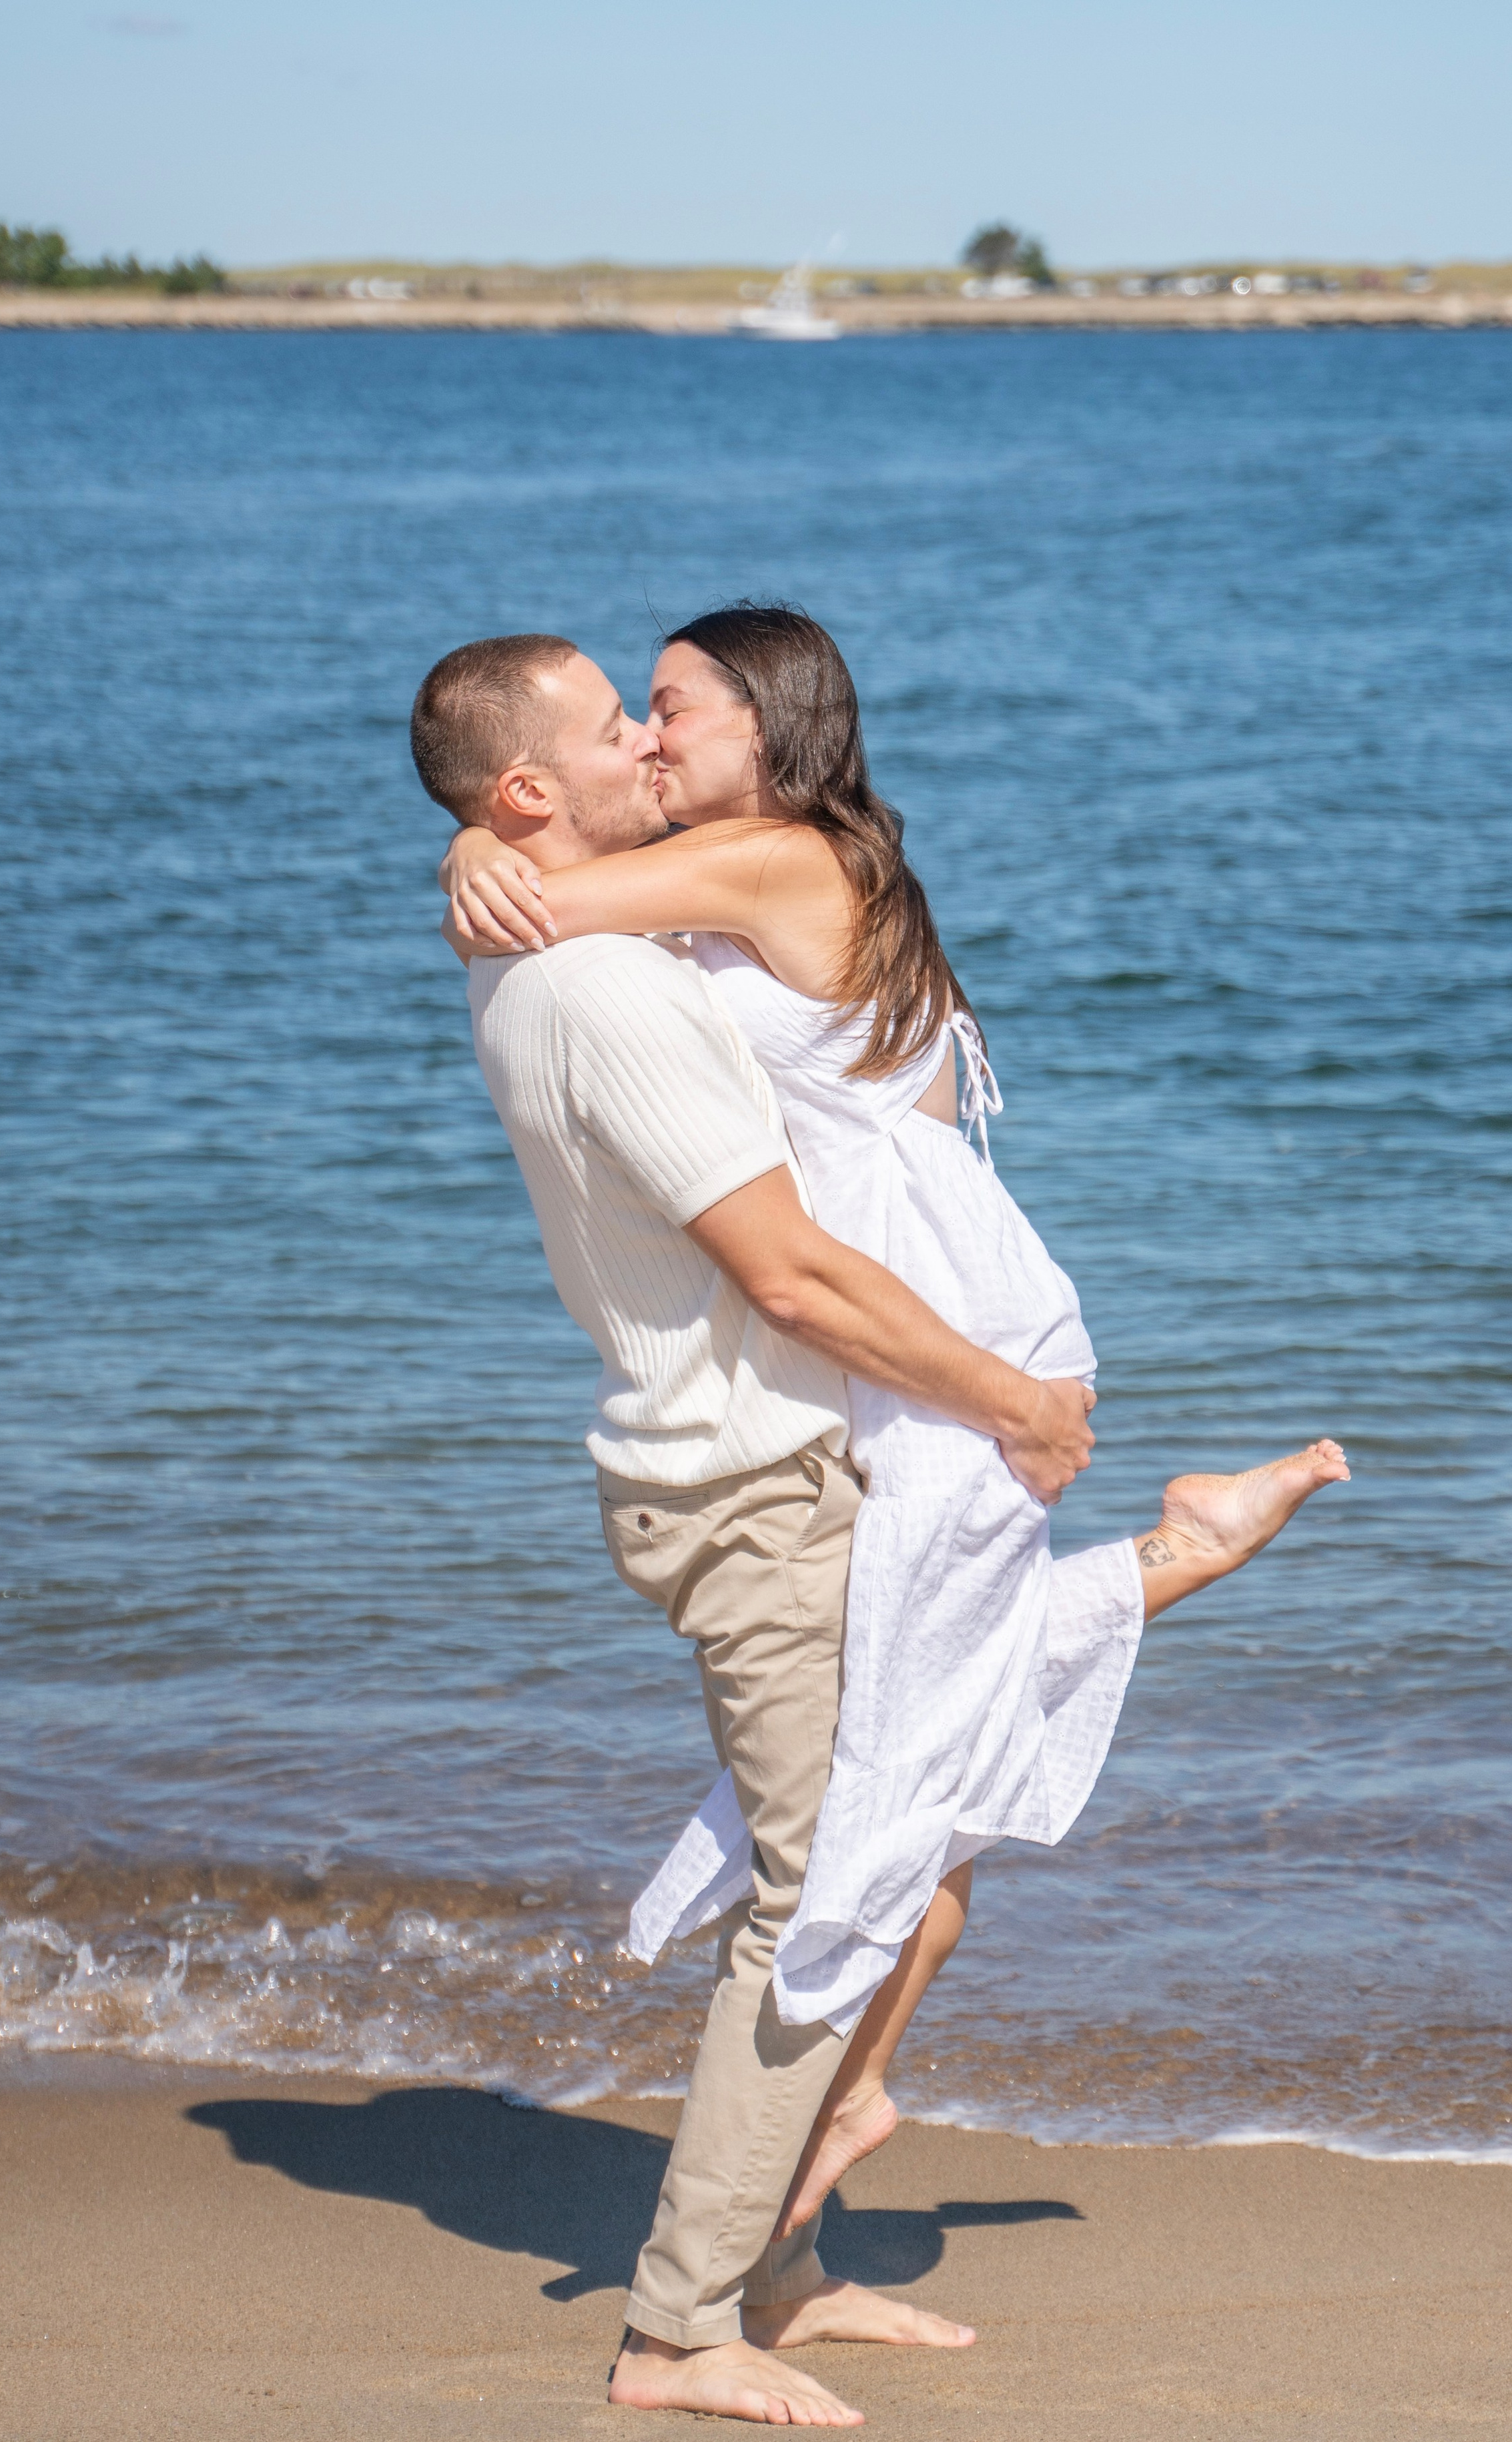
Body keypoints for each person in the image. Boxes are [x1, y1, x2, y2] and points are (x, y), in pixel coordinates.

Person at [435, 604, 1349, 2254]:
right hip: (913, 1306)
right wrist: (477, 846)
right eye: (633, 713)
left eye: (671, 707)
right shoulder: (744, 866)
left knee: (906, 1741)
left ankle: (830, 2119)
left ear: (768, 728)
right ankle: (1188, 1544)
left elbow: (542, 898)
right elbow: (554, 892)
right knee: (918, 1721)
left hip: (936, 1315)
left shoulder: (775, 857)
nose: (649, 735)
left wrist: (472, 859)